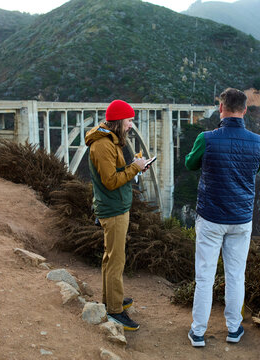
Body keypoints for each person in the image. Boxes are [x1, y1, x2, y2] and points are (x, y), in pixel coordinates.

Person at [184, 88, 260, 347]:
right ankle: (233, 329)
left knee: (205, 276)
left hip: (210, 218)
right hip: (241, 219)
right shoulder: (258, 142)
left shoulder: (206, 138)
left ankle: (198, 332)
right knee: (235, 275)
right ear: (244, 110)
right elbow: (258, 167)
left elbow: (189, 164)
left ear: (221, 108)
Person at [85, 99, 147, 331]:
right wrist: (135, 168)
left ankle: (112, 298)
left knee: (112, 257)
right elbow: (110, 181)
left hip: (116, 206)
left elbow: (114, 172)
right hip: (112, 209)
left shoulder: (110, 141)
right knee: (115, 259)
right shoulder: (102, 145)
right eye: (129, 121)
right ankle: (114, 310)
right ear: (119, 121)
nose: (131, 125)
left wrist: (134, 165)